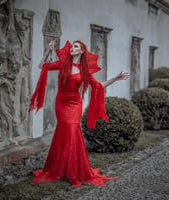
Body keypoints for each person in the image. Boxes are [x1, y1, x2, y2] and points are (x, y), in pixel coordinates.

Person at [29, 39, 129, 188]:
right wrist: (49, 51)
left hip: (75, 105)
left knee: (72, 131)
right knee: (64, 132)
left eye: (75, 46)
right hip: (61, 104)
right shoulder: (63, 64)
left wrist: (116, 78)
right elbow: (41, 66)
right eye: (72, 46)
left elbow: (99, 86)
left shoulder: (84, 70)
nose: (71, 48)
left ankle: (72, 170)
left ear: (82, 51)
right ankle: (60, 169)